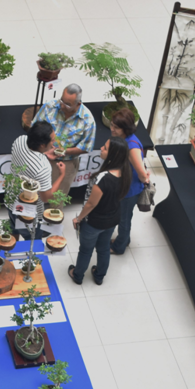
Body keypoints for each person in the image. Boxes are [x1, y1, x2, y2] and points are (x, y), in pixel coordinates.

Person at [68, 137, 131, 286]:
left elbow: (91, 204)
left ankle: (78, 275)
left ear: (113, 155)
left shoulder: (103, 178)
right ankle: (99, 275)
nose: (101, 148)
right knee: (103, 248)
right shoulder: (126, 173)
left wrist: (78, 218)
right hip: (112, 220)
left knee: (86, 250)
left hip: (94, 222)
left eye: (105, 148)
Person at [34, 84, 97, 199]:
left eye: (67, 104)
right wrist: (44, 150)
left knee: (57, 198)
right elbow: (34, 127)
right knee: (35, 193)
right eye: (61, 100)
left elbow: (86, 147)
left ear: (78, 104)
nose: (62, 105)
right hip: (41, 155)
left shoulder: (88, 120)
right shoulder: (49, 106)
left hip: (65, 162)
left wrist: (62, 151)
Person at [9, 120, 67, 234]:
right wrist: (62, 175)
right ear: (42, 145)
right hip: (28, 210)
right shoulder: (43, 167)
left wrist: (45, 153)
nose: (54, 143)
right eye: (52, 140)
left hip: (11, 198)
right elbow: (46, 198)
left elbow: (29, 156)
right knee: (32, 238)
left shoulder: (20, 140)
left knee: (13, 230)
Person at [108, 108, 150, 256]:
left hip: (129, 190)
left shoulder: (131, 146)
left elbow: (142, 174)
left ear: (126, 128)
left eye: (116, 127)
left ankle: (119, 247)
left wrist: (145, 179)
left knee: (123, 219)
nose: (112, 129)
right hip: (124, 186)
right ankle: (124, 240)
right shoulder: (124, 139)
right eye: (112, 125)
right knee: (123, 217)